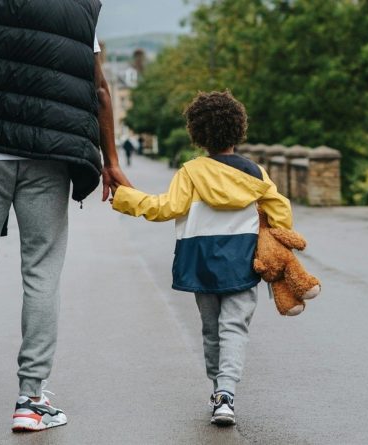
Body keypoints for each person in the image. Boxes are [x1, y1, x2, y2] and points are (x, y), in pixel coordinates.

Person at [0, 0, 131, 434]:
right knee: (41, 271)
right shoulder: (81, 5)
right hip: (49, 154)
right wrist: (110, 160)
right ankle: (32, 400)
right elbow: (100, 88)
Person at [110, 91, 292, 426]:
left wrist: (125, 198)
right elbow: (280, 209)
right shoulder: (255, 173)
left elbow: (166, 208)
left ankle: (217, 390)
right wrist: (275, 235)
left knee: (211, 329)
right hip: (242, 259)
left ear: (197, 133)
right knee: (234, 327)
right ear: (238, 129)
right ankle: (227, 392)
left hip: (201, 260)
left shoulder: (191, 172)